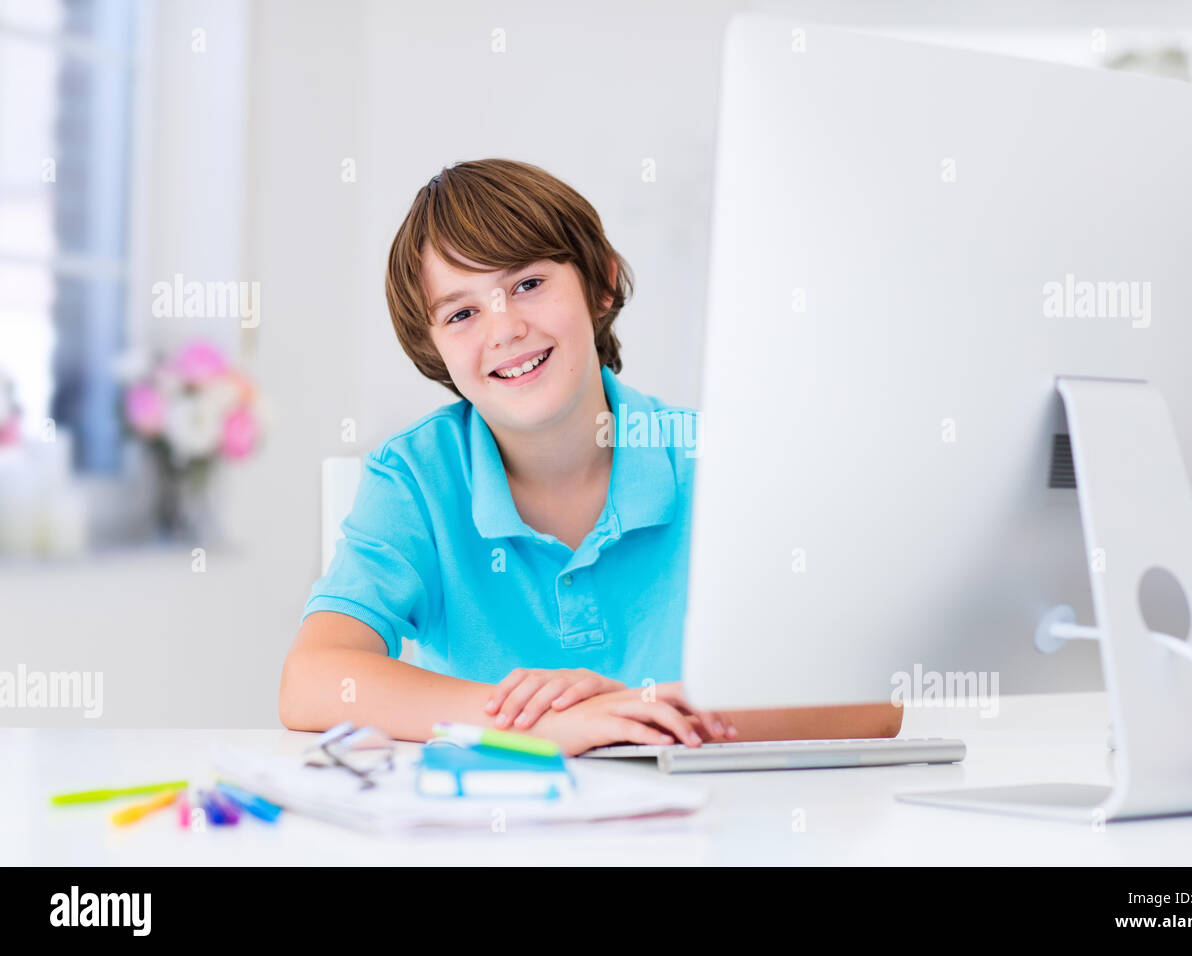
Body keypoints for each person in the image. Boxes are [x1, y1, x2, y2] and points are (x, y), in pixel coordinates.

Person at [278, 158, 902, 755]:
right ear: (435, 348)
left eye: (527, 284)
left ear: (600, 285)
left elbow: (875, 700)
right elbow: (311, 680)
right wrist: (541, 722)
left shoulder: (716, 464)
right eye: (463, 312)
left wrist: (639, 712)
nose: (503, 329)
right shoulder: (416, 477)